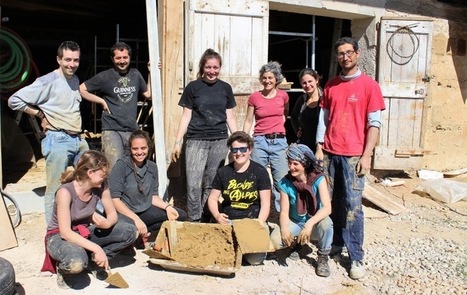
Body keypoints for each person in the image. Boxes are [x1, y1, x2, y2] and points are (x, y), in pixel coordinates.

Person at [315, 37, 385, 280]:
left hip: (354, 155)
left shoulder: (369, 86)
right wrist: (319, 146)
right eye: (340, 54)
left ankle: (356, 256)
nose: (345, 57)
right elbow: (324, 119)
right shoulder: (331, 86)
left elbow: (374, 123)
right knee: (330, 202)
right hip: (330, 154)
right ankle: (334, 244)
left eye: (349, 52)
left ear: (357, 54)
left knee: (353, 207)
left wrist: (367, 156)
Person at [8, 41, 89, 225]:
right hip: (58, 139)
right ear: (58, 59)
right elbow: (14, 100)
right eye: (67, 59)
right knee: (54, 188)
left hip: (77, 138)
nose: (72, 64)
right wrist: (38, 113)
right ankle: (52, 232)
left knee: (89, 177)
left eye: (75, 60)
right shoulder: (47, 81)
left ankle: (81, 221)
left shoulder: (75, 79)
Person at [41, 150, 138, 289]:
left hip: (84, 231)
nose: (104, 177)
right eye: (102, 174)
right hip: (59, 237)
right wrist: (97, 248)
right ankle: (64, 269)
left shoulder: (101, 186)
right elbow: (65, 233)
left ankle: (93, 262)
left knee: (130, 231)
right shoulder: (65, 192)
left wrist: (107, 223)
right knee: (76, 262)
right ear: (90, 173)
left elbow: (112, 215)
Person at [171, 48, 237, 222]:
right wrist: (178, 142)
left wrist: (237, 139)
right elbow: (186, 116)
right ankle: (194, 219)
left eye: (215, 67)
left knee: (212, 182)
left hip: (220, 140)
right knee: (193, 183)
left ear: (220, 68)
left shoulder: (225, 88)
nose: (212, 71)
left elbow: (230, 116)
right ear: (202, 67)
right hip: (196, 140)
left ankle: (207, 216)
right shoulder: (193, 88)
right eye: (208, 67)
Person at [80, 41, 151, 169]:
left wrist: (151, 73)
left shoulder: (135, 74)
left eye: (125, 57)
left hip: (131, 129)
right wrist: (101, 101)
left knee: (133, 167)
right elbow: (81, 89)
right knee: (115, 167)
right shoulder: (105, 76)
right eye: (118, 58)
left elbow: (148, 94)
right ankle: (113, 190)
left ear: (130, 57)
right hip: (112, 129)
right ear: (112, 59)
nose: (122, 61)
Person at [109, 130, 187, 245]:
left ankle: (144, 234)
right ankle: (136, 236)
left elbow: (153, 197)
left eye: (143, 148)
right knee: (128, 230)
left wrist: (168, 207)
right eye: (135, 149)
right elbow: (114, 200)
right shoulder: (121, 166)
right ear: (130, 149)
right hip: (125, 213)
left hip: (144, 210)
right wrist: (136, 219)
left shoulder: (152, 167)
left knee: (179, 215)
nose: (139, 152)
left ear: (148, 148)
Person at [207, 131, 271, 265]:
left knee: (254, 260)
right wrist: (217, 215)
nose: (239, 153)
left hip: (251, 221)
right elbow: (212, 198)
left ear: (250, 150)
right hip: (229, 221)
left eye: (243, 149)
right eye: (234, 149)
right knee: (220, 256)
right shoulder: (223, 172)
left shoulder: (260, 171)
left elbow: (265, 204)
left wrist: (258, 224)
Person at [270, 144, 333, 277]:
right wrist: (284, 229)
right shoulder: (285, 183)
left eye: (295, 163)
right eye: (289, 163)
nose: (291, 167)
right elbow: (284, 211)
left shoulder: (319, 179)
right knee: (276, 240)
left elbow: (327, 208)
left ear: (304, 164)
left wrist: (309, 224)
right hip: (296, 220)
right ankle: (296, 245)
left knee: (326, 224)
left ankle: (323, 256)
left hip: (314, 221)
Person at [243, 61, 289, 212]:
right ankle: (258, 211)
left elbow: (285, 115)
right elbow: (249, 120)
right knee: (257, 177)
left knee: (281, 179)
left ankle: (282, 214)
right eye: (264, 78)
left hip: (279, 141)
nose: (267, 81)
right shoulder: (255, 97)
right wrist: (244, 141)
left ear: (276, 79)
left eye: (270, 77)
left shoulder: (283, 96)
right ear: (261, 79)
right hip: (260, 141)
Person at [290, 68, 322, 152]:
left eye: (310, 81)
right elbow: (293, 116)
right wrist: (297, 130)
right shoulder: (302, 100)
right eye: (304, 83)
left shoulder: (324, 98)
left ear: (317, 80)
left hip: (321, 144)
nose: (307, 85)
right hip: (305, 143)